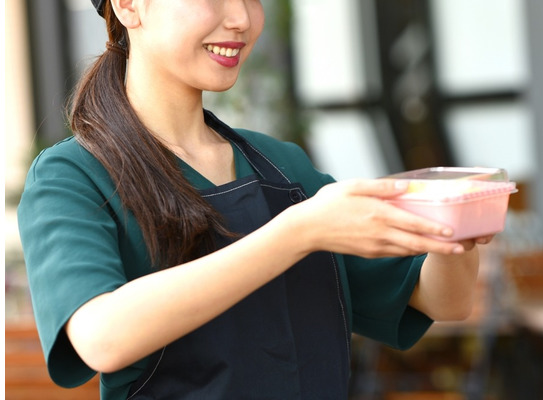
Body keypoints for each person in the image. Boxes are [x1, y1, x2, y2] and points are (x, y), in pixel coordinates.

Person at [17, 1, 492, 399]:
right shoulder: (73, 177)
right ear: (128, 4)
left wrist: (457, 231)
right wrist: (298, 232)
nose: (242, 17)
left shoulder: (284, 167)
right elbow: (102, 336)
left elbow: (441, 301)